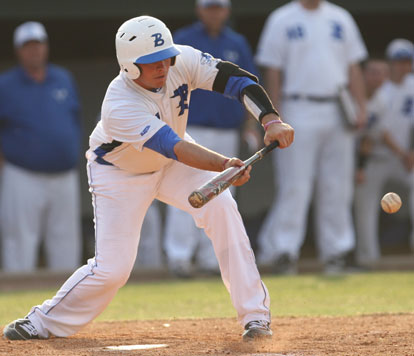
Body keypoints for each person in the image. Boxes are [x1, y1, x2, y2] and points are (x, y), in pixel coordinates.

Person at [3, 16, 294, 341]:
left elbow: (236, 80)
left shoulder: (181, 59)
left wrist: (270, 120)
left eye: (165, 57)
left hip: (171, 165)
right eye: (151, 62)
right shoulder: (118, 104)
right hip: (120, 173)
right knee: (113, 270)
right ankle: (42, 321)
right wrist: (225, 164)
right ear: (129, 67)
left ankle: (255, 317)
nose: (162, 67)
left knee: (223, 208)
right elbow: (173, 147)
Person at [255, 0, 367, 274]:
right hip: (297, 106)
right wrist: (274, 116)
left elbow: (353, 67)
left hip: (337, 107)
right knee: (295, 183)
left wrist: (360, 105)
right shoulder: (281, 18)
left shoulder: (340, 17)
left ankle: (337, 252)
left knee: (337, 185)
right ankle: (284, 250)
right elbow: (273, 71)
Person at [164, 0, 260, 277]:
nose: (214, 12)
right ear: (199, 10)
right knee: (184, 190)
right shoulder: (183, 39)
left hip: (227, 129)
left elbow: (248, 86)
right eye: (209, 7)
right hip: (190, 131)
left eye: (218, 7)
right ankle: (179, 257)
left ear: (227, 11)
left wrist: (250, 126)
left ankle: (210, 259)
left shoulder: (237, 42)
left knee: (223, 194)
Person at [0, 21, 82, 272]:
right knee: (20, 240)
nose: (34, 51)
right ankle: (16, 298)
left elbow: (74, 119)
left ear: (46, 46)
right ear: (18, 50)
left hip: (64, 173)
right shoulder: (6, 84)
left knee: (67, 239)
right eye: (28, 46)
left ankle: (66, 303)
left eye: (38, 44)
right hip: (22, 174)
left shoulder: (63, 78)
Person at [354, 39, 414, 267]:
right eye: (398, 61)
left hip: (405, 158)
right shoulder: (382, 90)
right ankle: (368, 259)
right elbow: (379, 132)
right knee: (365, 206)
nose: (402, 66)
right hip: (377, 157)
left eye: (407, 61)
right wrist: (404, 153)